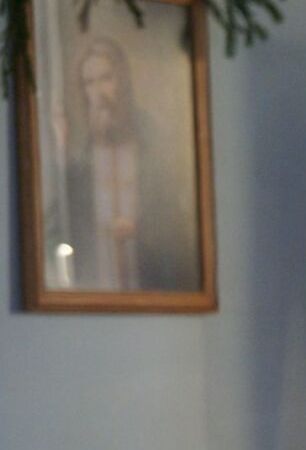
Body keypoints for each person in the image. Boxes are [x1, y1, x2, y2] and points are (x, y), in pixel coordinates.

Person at [49, 37, 197, 291]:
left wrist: (139, 229)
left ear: (122, 81)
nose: (98, 93)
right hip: (96, 288)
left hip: (152, 283)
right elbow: (59, 229)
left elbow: (179, 223)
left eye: (106, 79)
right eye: (89, 83)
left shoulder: (155, 142)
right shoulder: (82, 158)